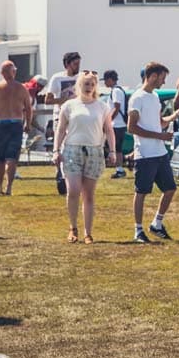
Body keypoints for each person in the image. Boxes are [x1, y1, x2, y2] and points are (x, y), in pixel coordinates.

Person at [54, 70, 116, 244]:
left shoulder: (102, 107)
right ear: (79, 85)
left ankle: (88, 233)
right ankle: (73, 227)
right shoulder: (69, 105)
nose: (89, 87)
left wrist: (112, 151)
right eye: (86, 84)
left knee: (88, 194)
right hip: (72, 150)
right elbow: (60, 129)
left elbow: (109, 130)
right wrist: (56, 150)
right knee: (73, 190)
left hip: (94, 151)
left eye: (92, 84)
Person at [128, 63, 177, 243]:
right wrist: (160, 136)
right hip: (145, 154)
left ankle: (157, 224)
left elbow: (160, 122)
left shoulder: (155, 96)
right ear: (153, 76)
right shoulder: (137, 98)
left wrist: (177, 113)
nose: (164, 82)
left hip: (159, 153)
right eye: (162, 78)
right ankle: (138, 231)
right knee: (141, 192)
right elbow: (132, 127)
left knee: (170, 189)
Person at [0, 60, 34, 196]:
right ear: (13, 72)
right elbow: (28, 108)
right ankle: (9, 187)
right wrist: (28, 123)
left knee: (0, 158)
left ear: (2, 73)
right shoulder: (22, 88)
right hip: (16, 124)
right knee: (12, 157)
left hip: (1, 124)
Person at [103, 69, 131, 178]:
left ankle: (121, 167)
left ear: (110, 79)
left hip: (117, 124)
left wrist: (108, 121)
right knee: (116, 148)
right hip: (119, 124)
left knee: (112, 146)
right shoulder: (117, 90)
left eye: (106, 80)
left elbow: (116, 107)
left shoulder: (116, 91)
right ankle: (119, 167)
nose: (105, 82)